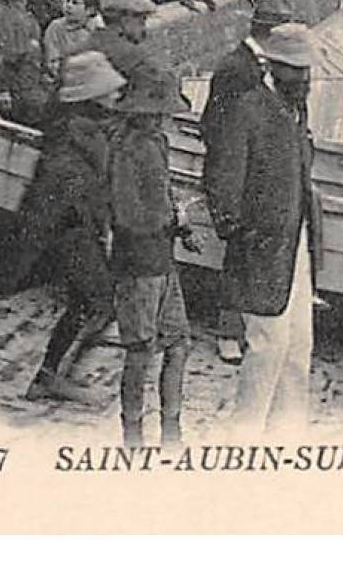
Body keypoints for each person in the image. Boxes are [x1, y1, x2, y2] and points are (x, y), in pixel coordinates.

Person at [204, 24, 321, 437]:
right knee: (267, 347)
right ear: (273, 67)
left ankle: (287, 438)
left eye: (306, 72)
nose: (304, 80)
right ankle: (245, 438)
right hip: (263, 248)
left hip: (297, 243)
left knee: (297, 348)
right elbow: (222, 177)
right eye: (295, 71)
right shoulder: (248, 109)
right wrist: (237, 232)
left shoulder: (295, 110)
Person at [14, 51, 123, 405]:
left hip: (75, 230)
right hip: (72, 232)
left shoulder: (79, 127)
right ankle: (54, 376)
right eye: (107, 90)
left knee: (85, 303)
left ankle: (52, 374)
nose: (115, 94)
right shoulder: (78, 136)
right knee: (100, 303)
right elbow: (65, 193)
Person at [199, 0, 296, 364]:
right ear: (270, 32)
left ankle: (247, 326)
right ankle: (228, 332)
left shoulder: (259, 65)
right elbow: (218, 127)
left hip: (256, 169)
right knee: (238, 254)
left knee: (249, 254)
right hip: (238, 173)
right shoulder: (236, 69)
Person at [107, 63, 195, 448]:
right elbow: (128, 213)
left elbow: (162, 194)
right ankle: (133, 434)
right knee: (140, 350)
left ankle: (172, 428)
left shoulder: (156, 143)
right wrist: (173, 217)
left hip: (162, 257)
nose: (163, 119)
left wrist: (178, 222)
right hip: (138, 261)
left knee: (178, 343)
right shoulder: (126, 149)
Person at [87, 0, 162, 79]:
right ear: (125, 19)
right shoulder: (132, 54)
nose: (143, 28)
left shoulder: (90, 41)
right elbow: (161, 83)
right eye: (142, 21)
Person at [41, 0, 104, 79]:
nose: (69, 6)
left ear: (89, 10)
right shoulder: (55, 28)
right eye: (67, 1)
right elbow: (52, 62)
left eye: (75, 3)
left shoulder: (97, 29)